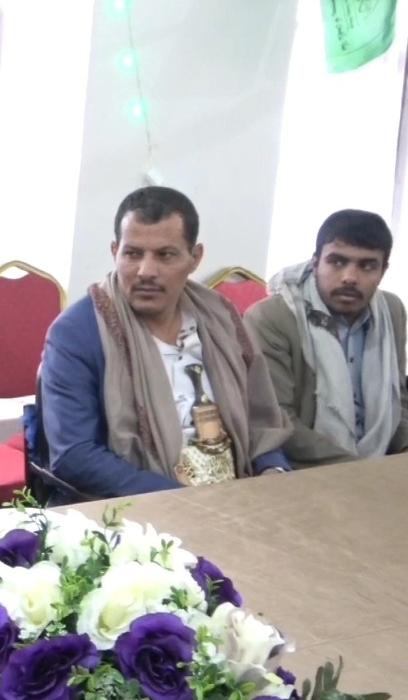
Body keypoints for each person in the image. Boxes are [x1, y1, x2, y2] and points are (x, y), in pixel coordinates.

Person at [39, 186, 292, 498]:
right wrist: (186, 502)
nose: (146, 271)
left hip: (238, 496)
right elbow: (75, 456)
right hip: (141, 509)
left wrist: (272, 470)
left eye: (165, 255)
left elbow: (261, 423)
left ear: (194, 258)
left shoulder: (221, 318)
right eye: (132, 254)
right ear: (115, 252)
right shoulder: (78, 332)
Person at [244, 209, 408, 468]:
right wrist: (363, 470)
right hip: (305, 470)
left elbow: (397, 406)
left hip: (379, 467)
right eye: (337, 262)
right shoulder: (272, 317)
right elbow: (278, 422)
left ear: (383, 270)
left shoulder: (391, 311)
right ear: (316, 262)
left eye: (367, 266)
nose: (350, 277)